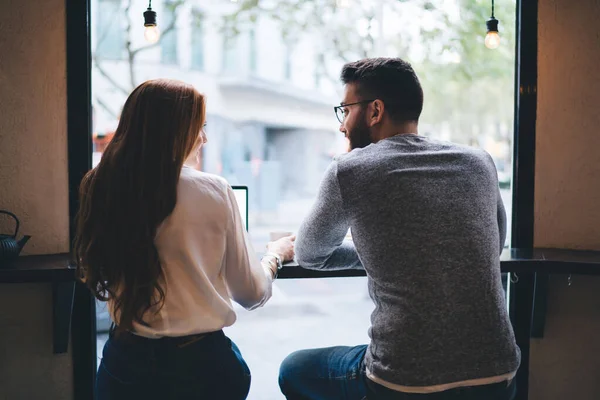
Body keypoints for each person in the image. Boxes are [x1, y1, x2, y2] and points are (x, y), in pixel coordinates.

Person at [278, 58, 520, 400]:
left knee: (294, 368)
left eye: (345, 110)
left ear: (375, 111)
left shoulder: (350, 169)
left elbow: (310, 253)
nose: (342, 125)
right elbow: (491, 245)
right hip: (499, 374)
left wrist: (388, 257)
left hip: (406, 381)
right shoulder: (479, 161)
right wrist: (399, 256)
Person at [74, 79, 295, 400]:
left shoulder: (98, 184)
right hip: (200, 368)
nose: (203, 138)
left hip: (125, 363)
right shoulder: (214, 190)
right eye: (198, 126)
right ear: (174, 130)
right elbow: (250, 293)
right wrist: (274, 256)